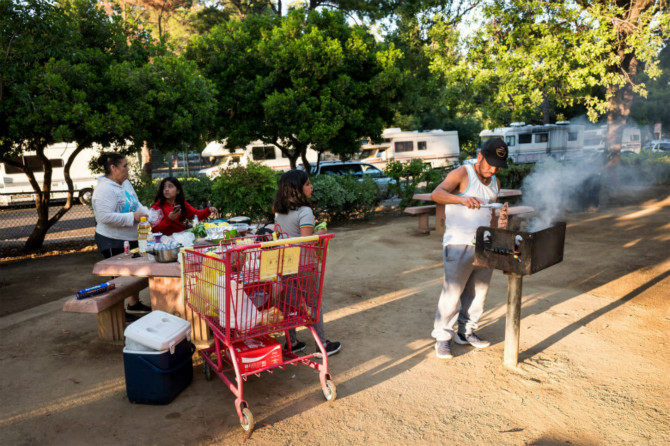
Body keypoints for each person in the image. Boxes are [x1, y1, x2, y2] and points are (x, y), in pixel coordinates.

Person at [430, 138, 509, 359]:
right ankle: (443, 337)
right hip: (458, 243)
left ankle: (465, 332)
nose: (493, 170)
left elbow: (491, 213)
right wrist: (460, 200)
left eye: (498, 166)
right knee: (453, 293)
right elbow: (436, 194)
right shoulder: (463, 174)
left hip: (484, 244)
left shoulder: (495, 182)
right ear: (480, 156)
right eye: (490, 163)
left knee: (478, 293)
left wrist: (500, 222)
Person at [273, 169, 341, 357]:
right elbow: (306, 240)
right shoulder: (305, 211)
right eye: (308, 184)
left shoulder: (279, 212)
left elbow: (282, 235)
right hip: (305, 265)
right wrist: (320, 234)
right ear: (298, 189)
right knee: (314, 304)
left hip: (286, 263)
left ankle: (292, 342)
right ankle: (322, 345)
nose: (312, 187)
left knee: (288, 304)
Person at [91, 152, 152, 319]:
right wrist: (132, 217)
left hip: (131, 237)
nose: (128, 168)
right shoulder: (104, 189)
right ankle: (118, 314)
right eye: (125, 165)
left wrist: (150, 215)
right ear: (113, 168)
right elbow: (104, 217)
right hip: (112, 240)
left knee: (134, 275)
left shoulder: (125, 184)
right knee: (119, 280)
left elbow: (136, 204)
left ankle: (134, 305)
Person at [150, 177, 217, 236]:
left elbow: (196, 215)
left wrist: (209, 210)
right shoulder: (156, 207)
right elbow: (154, 231)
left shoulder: (181, 203)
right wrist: (168, 219)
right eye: (164, 187)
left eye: (170, 186)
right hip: (165, 243)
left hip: (182, 238)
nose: (166, 189)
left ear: (178, 191)